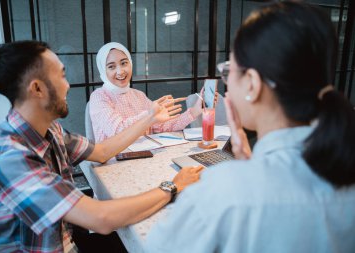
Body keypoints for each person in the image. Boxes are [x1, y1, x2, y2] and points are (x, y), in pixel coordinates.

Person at [145, 2, 355, 252]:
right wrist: (249, 167)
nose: (226, 83)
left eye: (228, 70)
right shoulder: (343, 171)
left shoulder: (221, 192)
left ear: (253, 84)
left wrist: (243, 174)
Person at [0, 40, 203, 252]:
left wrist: (152, 117)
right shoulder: (9, 156)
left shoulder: (51, 130)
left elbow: (102, 151)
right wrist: (171, 186)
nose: (68, 85)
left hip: (62, 237)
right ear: (37, 89)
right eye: (62, 76)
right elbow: (101, 219)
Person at [89, 42, 203, 142]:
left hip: (145, 155)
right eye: (111, 67)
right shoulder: (99, 97)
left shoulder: (138, 95)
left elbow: (162, 126)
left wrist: (194, 111)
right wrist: (149, 115)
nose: (120, 71)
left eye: (124, 63)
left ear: (130, 64)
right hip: (113, 161)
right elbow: (118, 131)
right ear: (103, 71)